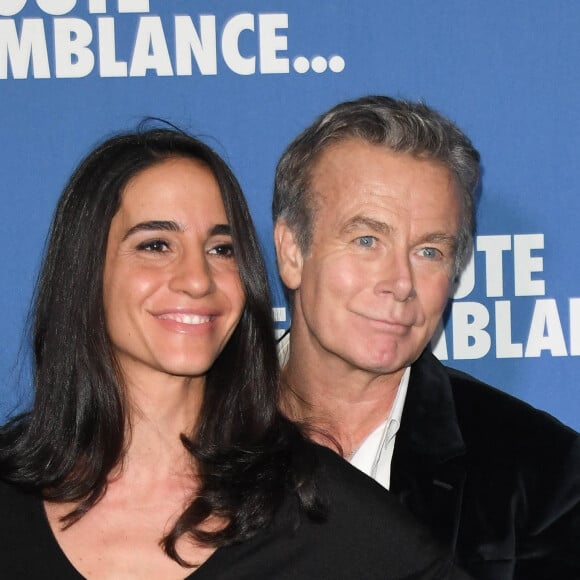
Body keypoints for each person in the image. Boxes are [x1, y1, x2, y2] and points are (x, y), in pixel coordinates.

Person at [0, 127, 470, 579]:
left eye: (221, 249)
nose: (198, 279)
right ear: (85, 271)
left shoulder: (314, 501)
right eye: (156, 245)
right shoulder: (11, 495)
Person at [273, 95, 580, 580]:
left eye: (429, 252)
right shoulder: (188, 435)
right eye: (367, 241)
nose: (400, 282)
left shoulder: (541, 471)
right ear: (292, 250)